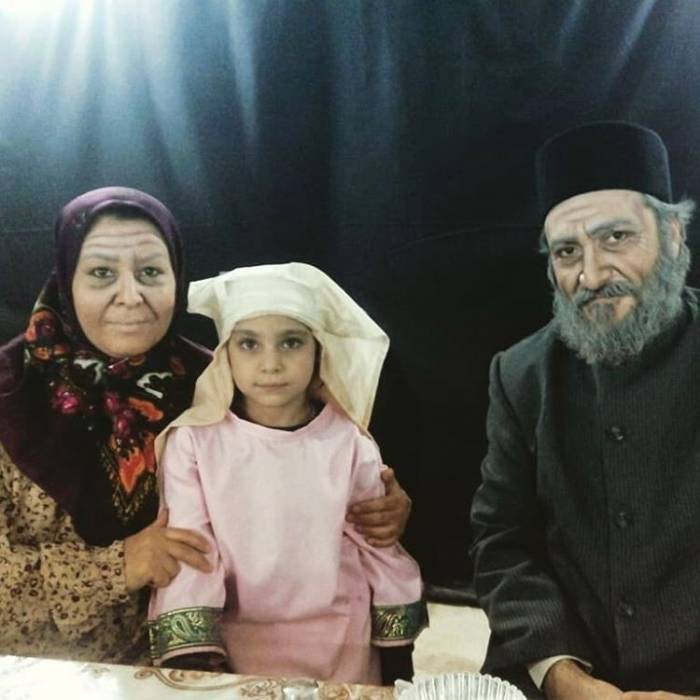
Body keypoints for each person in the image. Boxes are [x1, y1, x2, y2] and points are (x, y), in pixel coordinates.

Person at [0, 187, 411, 663]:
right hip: (37, 671)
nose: (131, 296)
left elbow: (310, 467)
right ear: (65, 280)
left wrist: (377, 512)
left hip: (208, 663)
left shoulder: (220, 383)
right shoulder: (11, 395)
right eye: (101, 273)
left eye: (150, 272)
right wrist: (120, 566)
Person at [470, 122, 700, 698]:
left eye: (616, 237)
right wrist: (561, 676)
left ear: (673, 235)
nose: (591, 276)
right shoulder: (521, 375)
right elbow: (503, 543)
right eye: (567, 252)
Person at [148, 263, 426, 685]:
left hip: (343, 643)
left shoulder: (349, 440)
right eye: (249, 344)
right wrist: (199, 660)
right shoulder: (194, 443)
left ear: (318, 350)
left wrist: (395, 654)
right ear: (225, 352)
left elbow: (377, 545)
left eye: (291, 342)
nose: (271, 364)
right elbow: (192, 550)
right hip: (237, 647)